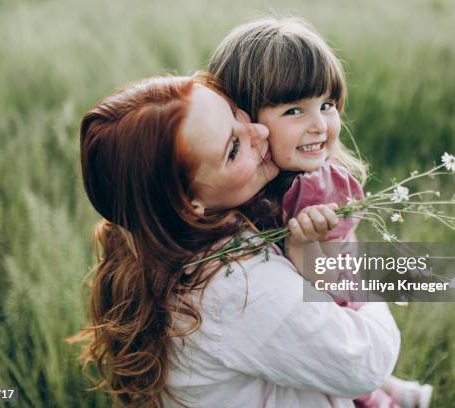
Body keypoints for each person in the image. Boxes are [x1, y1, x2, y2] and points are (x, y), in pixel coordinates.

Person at [76, 72, 400, 407]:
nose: (260, 131)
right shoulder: (240, 288)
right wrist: (346, 266)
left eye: (235, 112)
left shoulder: (154, 239)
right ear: (189, 204)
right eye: (233, 148)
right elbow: (366, 363)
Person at [209, 17, 432, 408]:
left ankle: (387, 393)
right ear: (245, 120)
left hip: (331, 312)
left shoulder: (322, 191)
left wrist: (304, 244)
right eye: (294, 111)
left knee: (354, 388)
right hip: (283, 338)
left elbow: (327, 289)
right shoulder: (240, 185)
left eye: (327, 105)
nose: (319, 125)